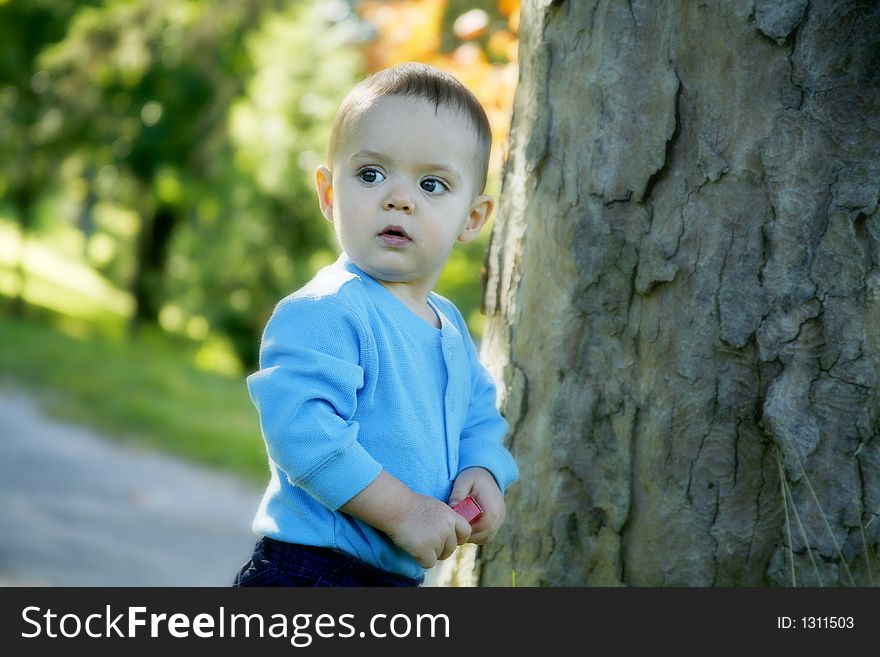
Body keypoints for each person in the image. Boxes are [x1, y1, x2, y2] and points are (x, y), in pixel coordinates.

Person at [233, 62, 519, 587]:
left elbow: (478, 417)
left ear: (473, 219)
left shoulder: (450, 327)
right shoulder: (328, 308)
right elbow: (303, 432)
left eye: (432, 184)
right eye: (371, 174)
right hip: (313, 570)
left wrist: (483, 473)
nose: (400, 197)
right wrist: (404, 511)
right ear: (328, 193)